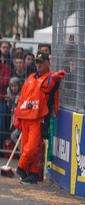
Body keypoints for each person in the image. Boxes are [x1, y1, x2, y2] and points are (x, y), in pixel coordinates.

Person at [13, 53, 65, 184]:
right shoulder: (30, 77)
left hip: (38, 118)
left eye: (41, 62)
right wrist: (17, 114)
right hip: (25, 117)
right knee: (25, 147)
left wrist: (54, 76)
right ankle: (32, 174)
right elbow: (22, 97)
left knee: (32, 147)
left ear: (48, 62)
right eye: (37, 62)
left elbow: (50, 83)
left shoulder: (49, 77)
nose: (38, 64)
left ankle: (21, 167)